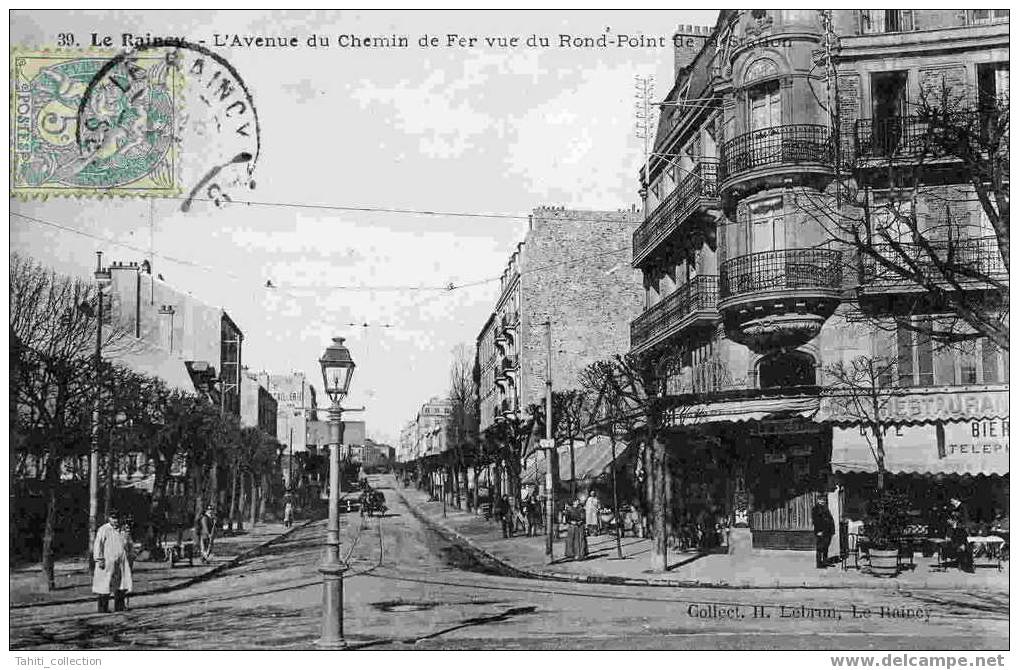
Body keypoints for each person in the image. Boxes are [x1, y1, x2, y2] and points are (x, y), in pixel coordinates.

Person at [92, 510, 134, 613]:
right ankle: (103, 609)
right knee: (104, 585)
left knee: (121, 584)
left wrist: (130, 556)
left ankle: (119, 607)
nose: (115, 521)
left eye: (117, 518)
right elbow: (98, 545)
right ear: (109, 518)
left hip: (120, 562)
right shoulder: (104, 530)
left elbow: (128, 545)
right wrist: (99, 559)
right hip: (107, 562)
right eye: (113, 518)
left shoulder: (123, 530)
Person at [947, 497, 974, 572]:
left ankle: (967, 565)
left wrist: (956, 524)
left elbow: (965, 520)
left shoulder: (963, 507)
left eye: (952, 500)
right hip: (958, 530)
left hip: (964, 530)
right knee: (959, 546)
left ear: (956, 500)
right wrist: (952, 522)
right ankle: (961, 563)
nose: (951, 502)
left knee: (965, 547)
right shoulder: (956, 508)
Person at [811, 496, 835, 569]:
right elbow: (816, 521)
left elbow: (830, 519)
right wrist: (819, 531)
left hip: (827, 531)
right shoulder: (816, 509)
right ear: (818, 500)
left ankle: (825, 561)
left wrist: (832, 531)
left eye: (824, 500)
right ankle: (819, 564)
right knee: (819, 548)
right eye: (821, 500)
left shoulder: (825, 508)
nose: (823, 501)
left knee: (826, 547)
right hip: (821, 531)